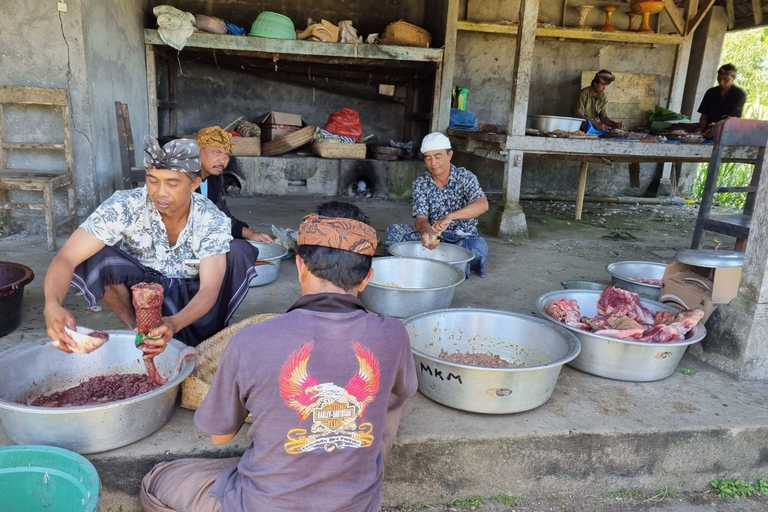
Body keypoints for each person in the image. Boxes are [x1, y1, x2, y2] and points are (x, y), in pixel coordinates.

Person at [140, 201, 418, 512]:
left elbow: (220, 436)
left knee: (160, 479)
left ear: (300, 267)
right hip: (358, 502)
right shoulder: (394, 334)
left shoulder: (252, 339)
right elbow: (402, 391)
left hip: (264, 504)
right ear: (367, 278)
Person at [43, 135, 260, 351]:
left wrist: (174, 322)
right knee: (95, 253)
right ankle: (133, 327)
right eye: (153, 181)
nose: (160, 193)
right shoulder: (126, 205)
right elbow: (67, 257)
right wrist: (52, 304)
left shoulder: (211, 218)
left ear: (194, 183)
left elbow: (210, 288)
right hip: (143, 288)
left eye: (172, 183)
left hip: (191, 290)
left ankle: (205, 330)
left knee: (238, 251)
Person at [385, 132, 489, 278]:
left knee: (477, 247)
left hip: (462, 238)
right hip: (435, 238)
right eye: (428, 158)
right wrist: (426, 233)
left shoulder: (465, 177)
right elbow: (421, 219)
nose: (433, 163)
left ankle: (427, 263)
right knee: (394, 231)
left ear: (450, 155)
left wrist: (450, 217)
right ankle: (444, 263)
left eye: (438, 157)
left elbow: (482, 205)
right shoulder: (421, 183)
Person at [196, 126, 273, 243]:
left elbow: (221, 216)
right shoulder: (182, 178)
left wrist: (250, 234)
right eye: (216, 152)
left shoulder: (215, 179)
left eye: (226, 155)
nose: (223, 160)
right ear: (198, 151)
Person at [697, 63, 747, 137]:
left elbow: (733, 118)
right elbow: (704, 114)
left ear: (733, 78)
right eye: (719, 78)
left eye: (726, 79)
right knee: (677, 127)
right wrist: (700, 130)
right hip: (708, 128)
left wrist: (717, 130)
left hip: (728, 129)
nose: (721, 82)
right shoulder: (711, 92)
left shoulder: (739, 94)